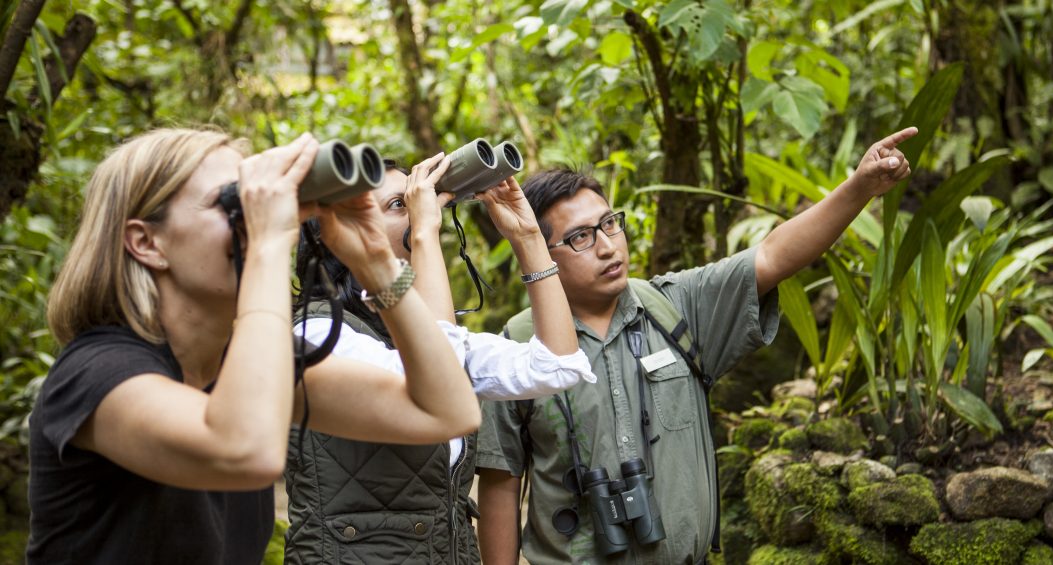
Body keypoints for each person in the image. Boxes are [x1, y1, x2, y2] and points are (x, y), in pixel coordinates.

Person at [28, 128, 481, 565]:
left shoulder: (244, 365)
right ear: (146, 242)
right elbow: (246, 450)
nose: (256, 216)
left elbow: (447, 412)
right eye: (234, 202)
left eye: (257, 199)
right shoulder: (95, 373)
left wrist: (376, 265)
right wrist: (267, 242)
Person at [475, 127, 919, 564]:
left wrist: (860, 187)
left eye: (610, 224)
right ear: (543, 252)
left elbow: (772, 255)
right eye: (580, 237)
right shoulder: (517, 347)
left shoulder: (677, 306)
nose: (608, 247)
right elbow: (500, 483)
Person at [284, 152, 596, 564]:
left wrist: (527, 238)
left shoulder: (418, 331)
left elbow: (556, 366)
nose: (419, 210)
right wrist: (426, 233)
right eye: (400, 204)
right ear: (340, 233)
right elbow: (437, 376)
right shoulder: (317, 334)